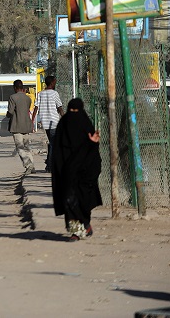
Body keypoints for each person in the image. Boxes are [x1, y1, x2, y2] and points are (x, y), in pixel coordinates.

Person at [51, 98, 102, 241]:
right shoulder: (64, 124)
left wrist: (93, 144)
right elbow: (57, 152)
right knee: (69, 200)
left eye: (76, 111)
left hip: (84, 172)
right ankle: (76, 232)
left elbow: (94, 154)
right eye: (71, 111)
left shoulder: (86, 124)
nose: (74, 115)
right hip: (67, 171)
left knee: (83, 200)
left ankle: (86, 224)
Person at [33, 76, 64, 173]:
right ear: (52, 83)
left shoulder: (40, 94)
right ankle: (50, 166)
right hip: (54, 122)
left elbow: (36, 107)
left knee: (52, 143)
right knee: (54, 144)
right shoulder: (54, 93)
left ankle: (49, 163)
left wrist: (32, 120)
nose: (55, 84)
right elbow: (59, 107)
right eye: (55, 82)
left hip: (45, 122)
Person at [7, 79, 35, 174]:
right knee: (27, 147)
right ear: (22, 87)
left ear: (15, 87)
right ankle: (32, 166)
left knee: (20, 147)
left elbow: (10, 112)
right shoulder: (28, 98)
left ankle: (29, 165)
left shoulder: (12, 97)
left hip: (17, 125)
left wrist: (7, 115)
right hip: (27, 125)